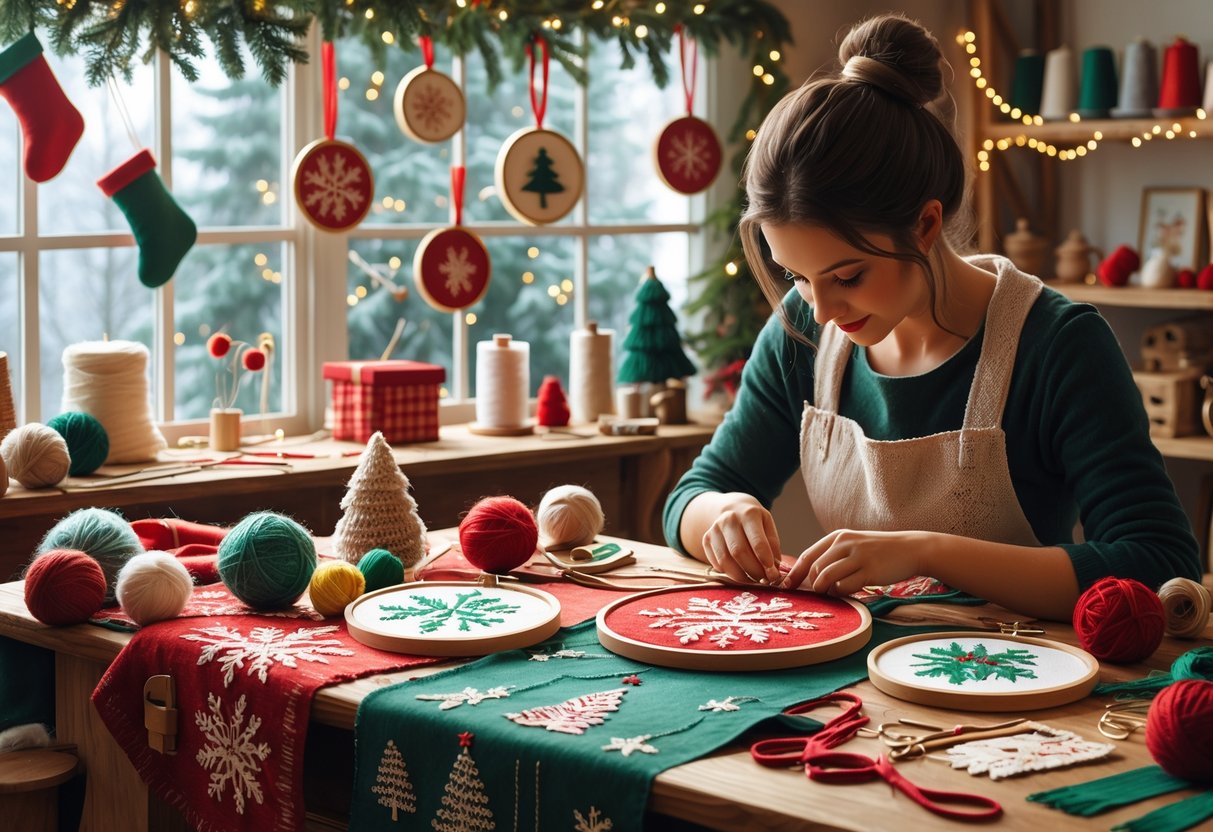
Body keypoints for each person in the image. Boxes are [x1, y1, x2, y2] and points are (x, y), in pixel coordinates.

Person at [663, 13, 1201, 620]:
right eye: (796, 276)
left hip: (1022, 684)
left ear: (924, 224)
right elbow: (690, 496)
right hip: (862, 683)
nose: (824, 309)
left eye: (847, 277)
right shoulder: (804, 328)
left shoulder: (1057, 344)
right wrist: (723, 513)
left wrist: (930, 553)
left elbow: (1160, 563)